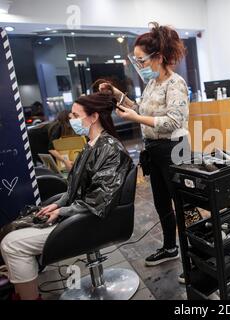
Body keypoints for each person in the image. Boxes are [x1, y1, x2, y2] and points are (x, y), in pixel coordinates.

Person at [0, 93, 132, 300]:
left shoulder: (110, 150)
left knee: (12, 245)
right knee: (11, 233)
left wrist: (62, 210)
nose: (71, 120)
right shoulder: (91, 145)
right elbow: (74, 189)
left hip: (93, 221)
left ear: (94, 117)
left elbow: (99, 201)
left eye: (75, 115)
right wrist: (58, 205)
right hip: (79, 215)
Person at [100, 22, 199, 274]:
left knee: (184, 204)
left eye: (141, 61)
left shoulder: (175, 84)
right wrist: (116, 94)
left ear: (159, 57)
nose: (139, 66)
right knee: (162, 202)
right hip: (154, 151)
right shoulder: (152, 85)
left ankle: (196, 256)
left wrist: (136, 119)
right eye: (136, 61)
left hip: (174, 148)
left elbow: (173, 121)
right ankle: (170, 247)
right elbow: (140, 108)